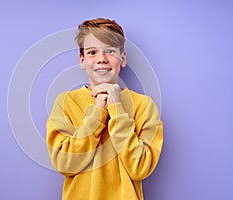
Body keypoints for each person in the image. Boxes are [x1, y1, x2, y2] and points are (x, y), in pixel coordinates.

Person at [46, 18, 163, 200]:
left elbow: (141, 167)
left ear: (122, 58)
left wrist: (116, 108)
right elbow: (64, 163)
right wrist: (98, 113)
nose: (101, 59)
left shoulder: (144, 106)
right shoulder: (65, 102)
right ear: (82, 60)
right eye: (92, 52)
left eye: (110, 51)